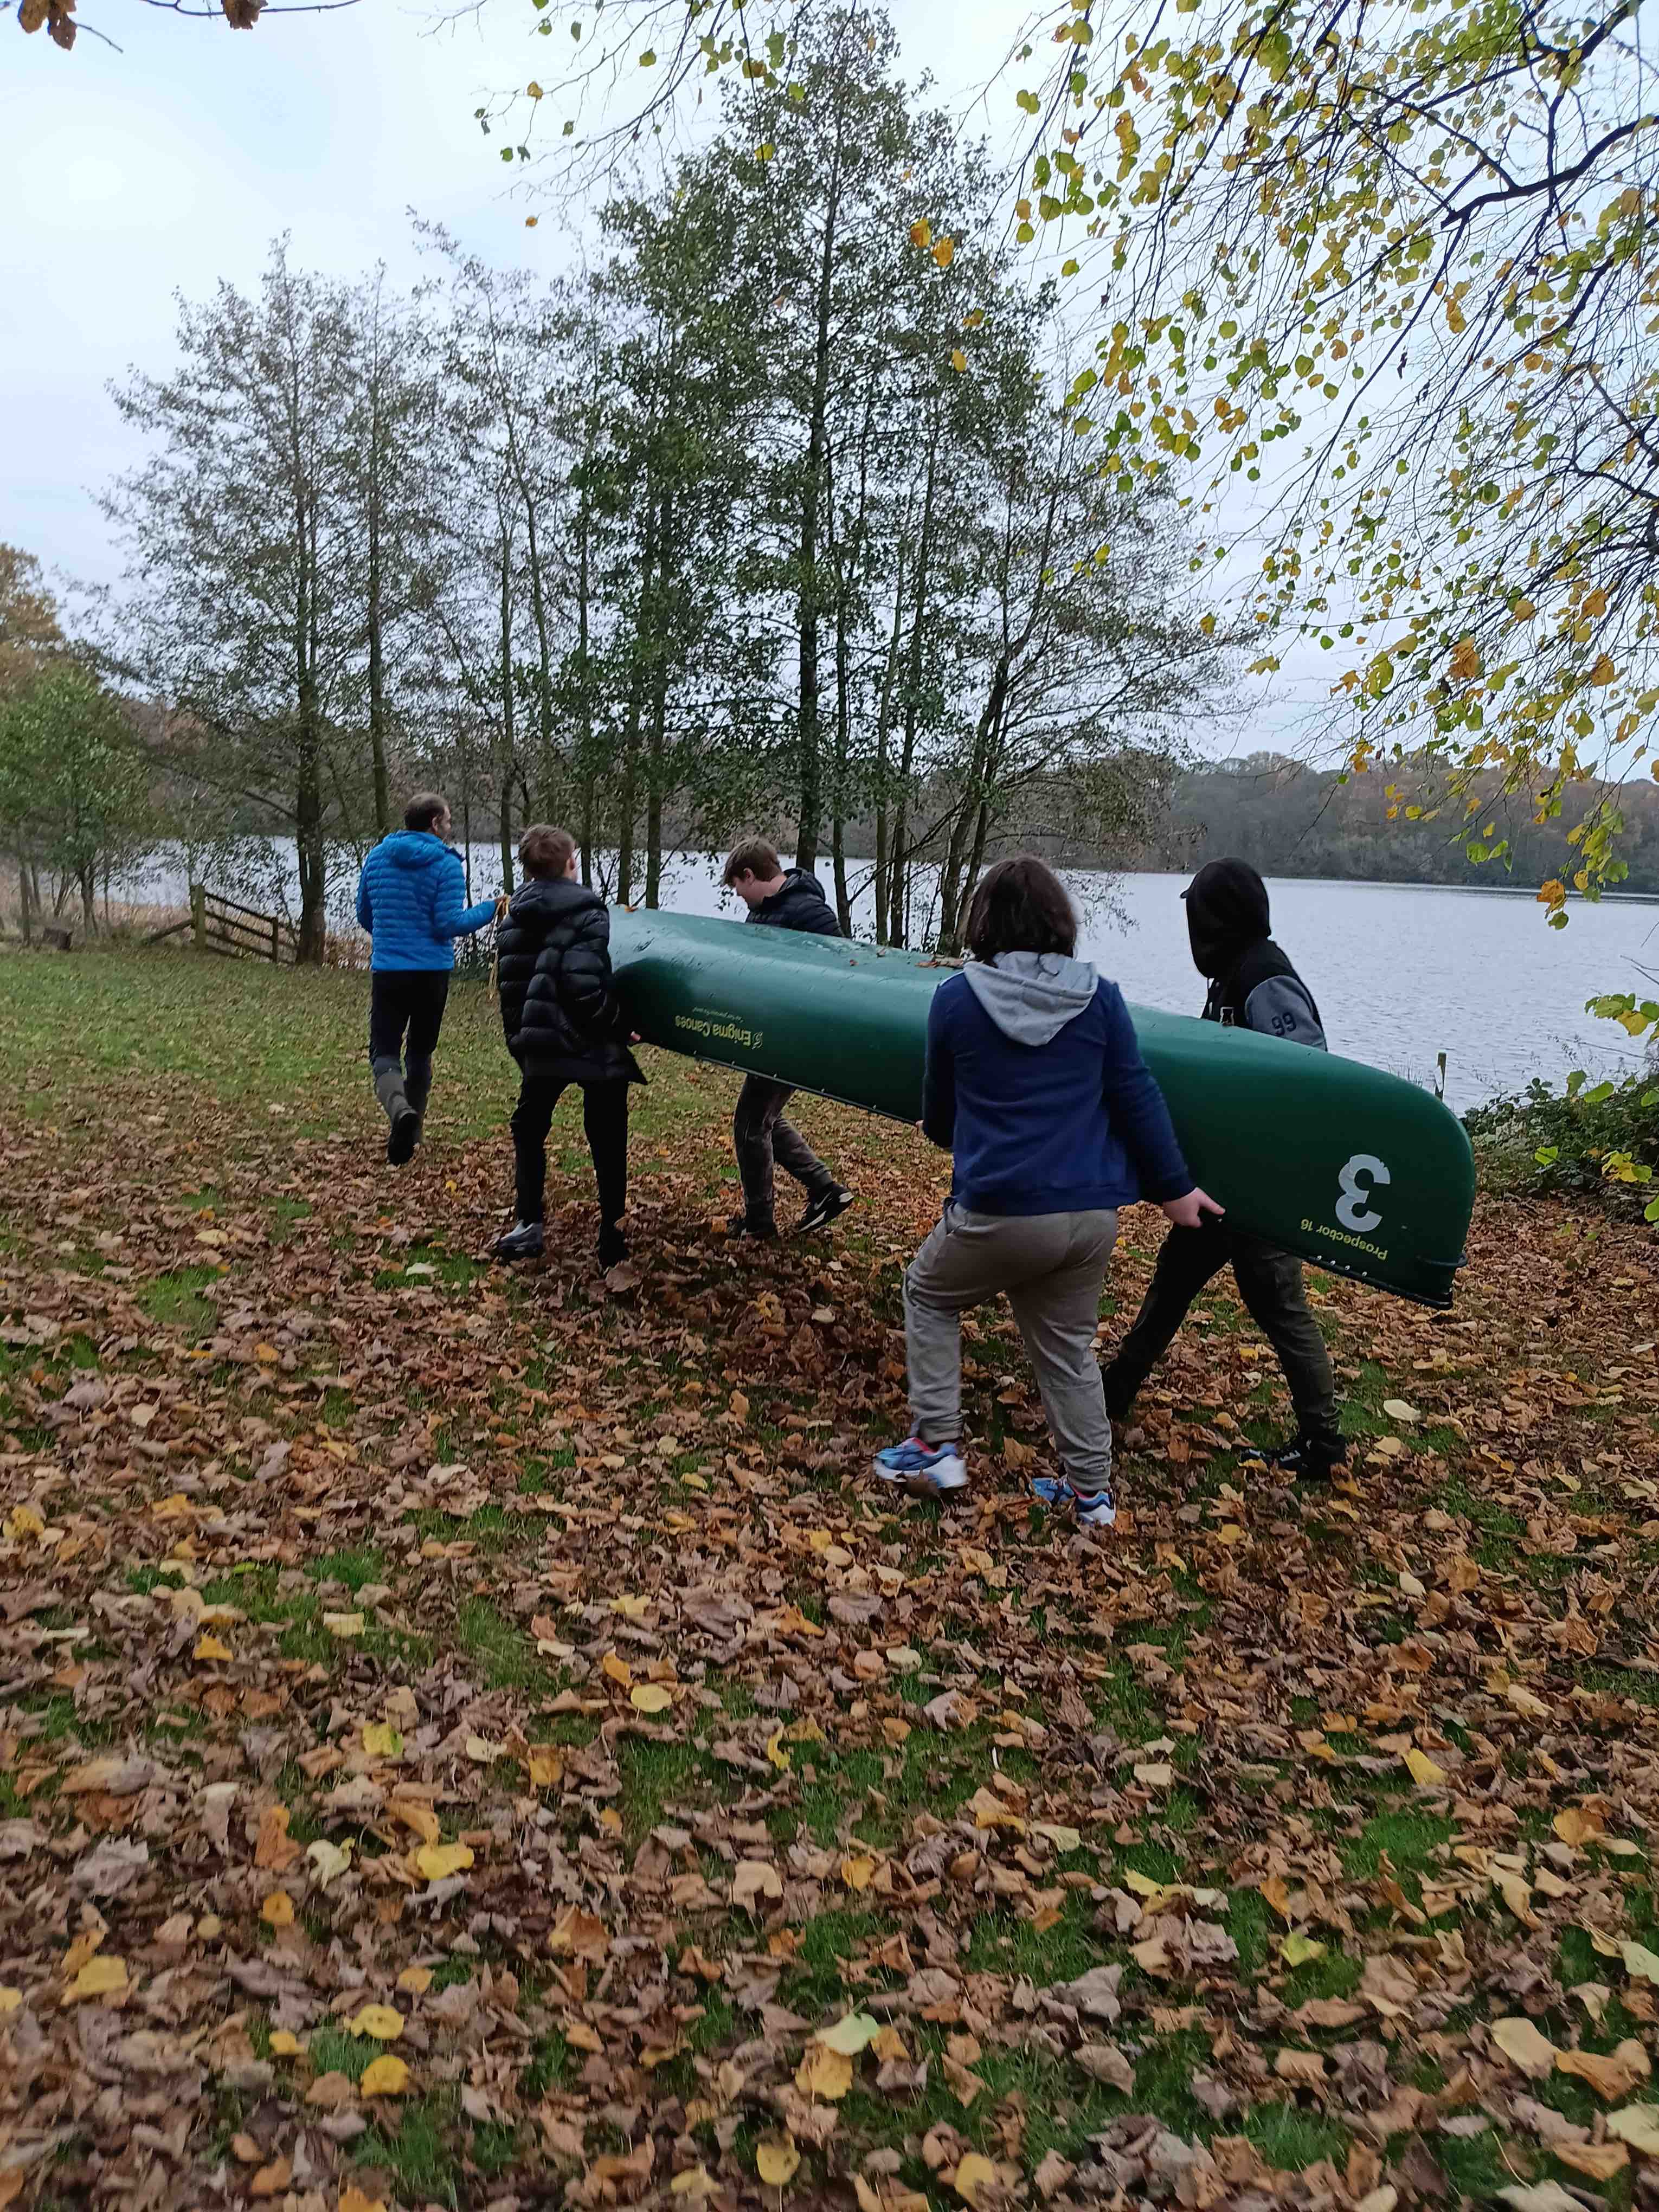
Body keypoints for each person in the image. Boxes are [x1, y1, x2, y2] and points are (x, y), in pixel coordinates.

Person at [873, 854, 1222, 1522]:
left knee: (929, 1293)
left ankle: (935, 1442)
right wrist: (1176, 1192)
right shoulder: (1101, 997)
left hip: (1003, 1208)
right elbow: (1136, 1097)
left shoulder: (956, 998)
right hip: (1090, 1218)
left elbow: (941, 1110)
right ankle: (1091, 1495)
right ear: (1061, 923)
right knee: (1066, 1349)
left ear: (983, 922)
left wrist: (939, 1131)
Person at [1099, 858, 1347, 1477]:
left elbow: (1307, 1069)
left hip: (1261, 1185)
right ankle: (1116, 1390)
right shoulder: (1232, 973)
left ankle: (1324, 1443)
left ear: (1216, 919)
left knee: (1278, 1302)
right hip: (1225, 1180)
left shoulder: (1264, 973)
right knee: (1174, 1278)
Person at [491, 825, 643, 1269]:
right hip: (590, 1041)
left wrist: (521, 1044)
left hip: (539, 1042)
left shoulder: (513, 916)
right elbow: (585, 989)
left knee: (529, 1126)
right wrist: (621, 1026)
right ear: (570, 864)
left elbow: (513, 993)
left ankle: (528, 1223)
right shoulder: (589, 912)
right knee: (607, 1132)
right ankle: (612, 1231)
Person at [721, 838, 856, 1239]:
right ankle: (825, 1190)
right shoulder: (761, 915)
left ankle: (760, 1224)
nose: (738, 896)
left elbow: (844, 967)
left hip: (795, 1035)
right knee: (764, 1120)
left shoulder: (808, 911)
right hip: (769, 1032)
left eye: (737, 887)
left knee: (750, 1124)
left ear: (750, 875)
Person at [355, 792, 500, 1165]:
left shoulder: (377, 857)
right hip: (431, 974)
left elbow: (364, 915)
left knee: (383, 1053)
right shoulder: (446, 863)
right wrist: (491, 908)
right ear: (435, 823)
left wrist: (391, 936)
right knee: (420, 1052)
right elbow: (448, 924)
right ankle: (411, 1133)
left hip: (388, 971)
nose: (450, 828)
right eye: (448, 822)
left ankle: (400, 1111)